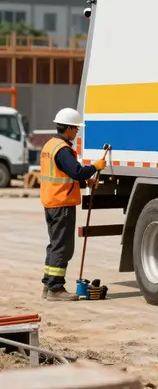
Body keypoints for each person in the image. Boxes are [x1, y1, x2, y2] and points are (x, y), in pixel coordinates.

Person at [40, 108, 106, 300]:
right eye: (76, 129)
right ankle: (56, 289)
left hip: (51, 201)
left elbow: (63, 174)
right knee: (63, 247)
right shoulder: (63, 150)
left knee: (54, 244)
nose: (77, 132)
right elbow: (76, 171)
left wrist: (87, 182)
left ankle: (48, 284)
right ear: (68, 128)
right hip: (62, 203)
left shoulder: (49, 146)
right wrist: (95, 167)